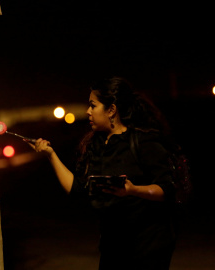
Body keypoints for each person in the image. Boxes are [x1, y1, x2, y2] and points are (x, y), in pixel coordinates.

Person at [28, 77, 178, 270]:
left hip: (148, 247)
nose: (87, 111)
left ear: (111, 110)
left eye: (93, 105)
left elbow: (168, 189)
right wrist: (51, 155)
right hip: (113, 248)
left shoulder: (143, 142)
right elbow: (77, 190)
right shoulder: (96, 144)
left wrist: (133, 190)